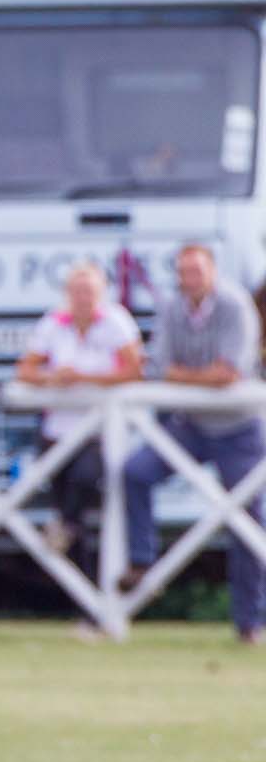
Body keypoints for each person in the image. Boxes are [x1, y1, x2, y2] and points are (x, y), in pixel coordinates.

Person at [120, 244, 266, 642]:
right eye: (184, 271)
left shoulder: (236, 306)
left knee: (247, 521)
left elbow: (229, 373)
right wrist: (199, 376)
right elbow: (161, 366)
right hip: (192, 426)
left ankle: (250, 623)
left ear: (212, 271)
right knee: (135, 471)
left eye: (197, 270)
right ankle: (142, 562)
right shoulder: (172, 309)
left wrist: (187, 375)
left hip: (239, 429)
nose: (190, 278)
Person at [15, 260, 143, 582]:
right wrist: (52, 378)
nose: (83, 297)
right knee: (72, 519)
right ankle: (85, 598)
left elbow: (135, 370)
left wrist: (85, 379)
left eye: (89, 291)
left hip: (99, 431)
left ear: (101, 293)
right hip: (56, 430)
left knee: (81, 489)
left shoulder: (116, 322)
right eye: (77, 291)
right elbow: (25, 369)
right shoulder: (53, 323)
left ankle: (76, 552)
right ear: (67, 294)